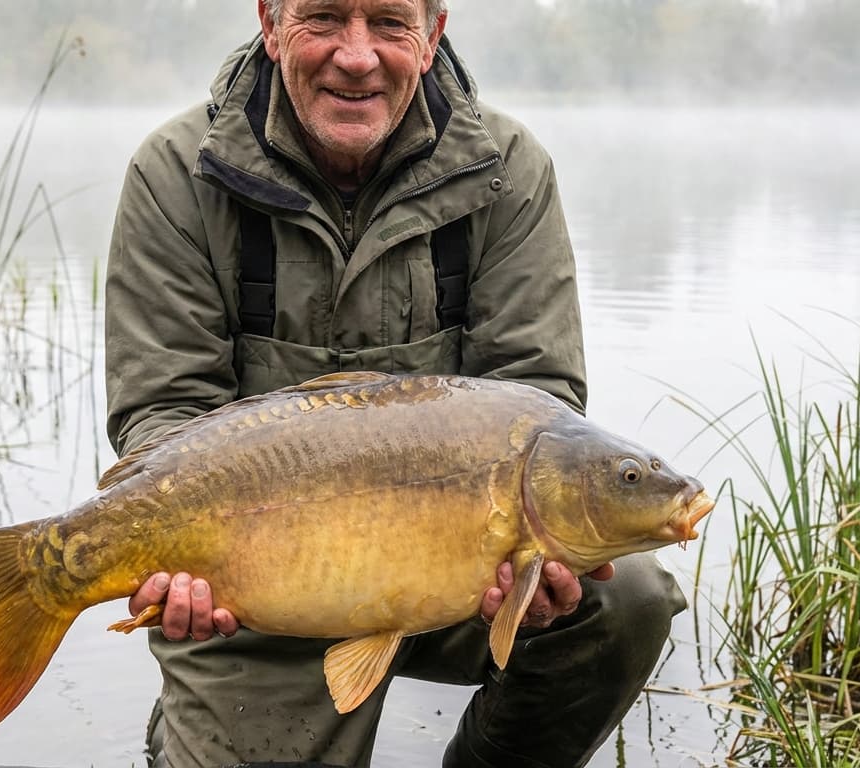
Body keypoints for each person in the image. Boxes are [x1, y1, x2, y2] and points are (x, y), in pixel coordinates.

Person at [103, 1, 687, 766]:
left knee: (626, 597)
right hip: (262, 590)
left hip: (462, 573)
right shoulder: (176, 172)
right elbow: (164, 409)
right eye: (323, 18)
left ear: (434, 31)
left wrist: (536, 570)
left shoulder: (508, 169)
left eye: (388, 21)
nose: (357, 55)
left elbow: (540, 397)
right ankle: (191, 730)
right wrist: (180, 568)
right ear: (270, 24)